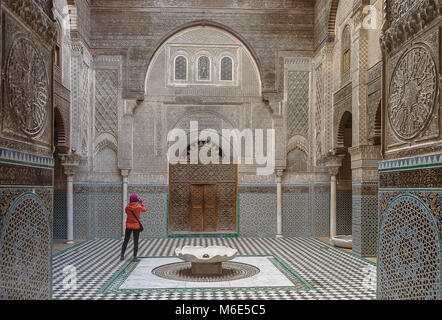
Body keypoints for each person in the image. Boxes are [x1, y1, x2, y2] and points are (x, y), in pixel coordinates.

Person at [120, 194, 146, 262]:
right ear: (136, 200)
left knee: (126, 240)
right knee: (135, 241)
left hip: (128, 225)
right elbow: (144, 209)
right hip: (136, 226)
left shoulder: (127, 207)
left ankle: (122, 255)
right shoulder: (138, 207)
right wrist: (141, 202)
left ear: (130, 200)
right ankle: (134, 257)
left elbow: (126, 212)